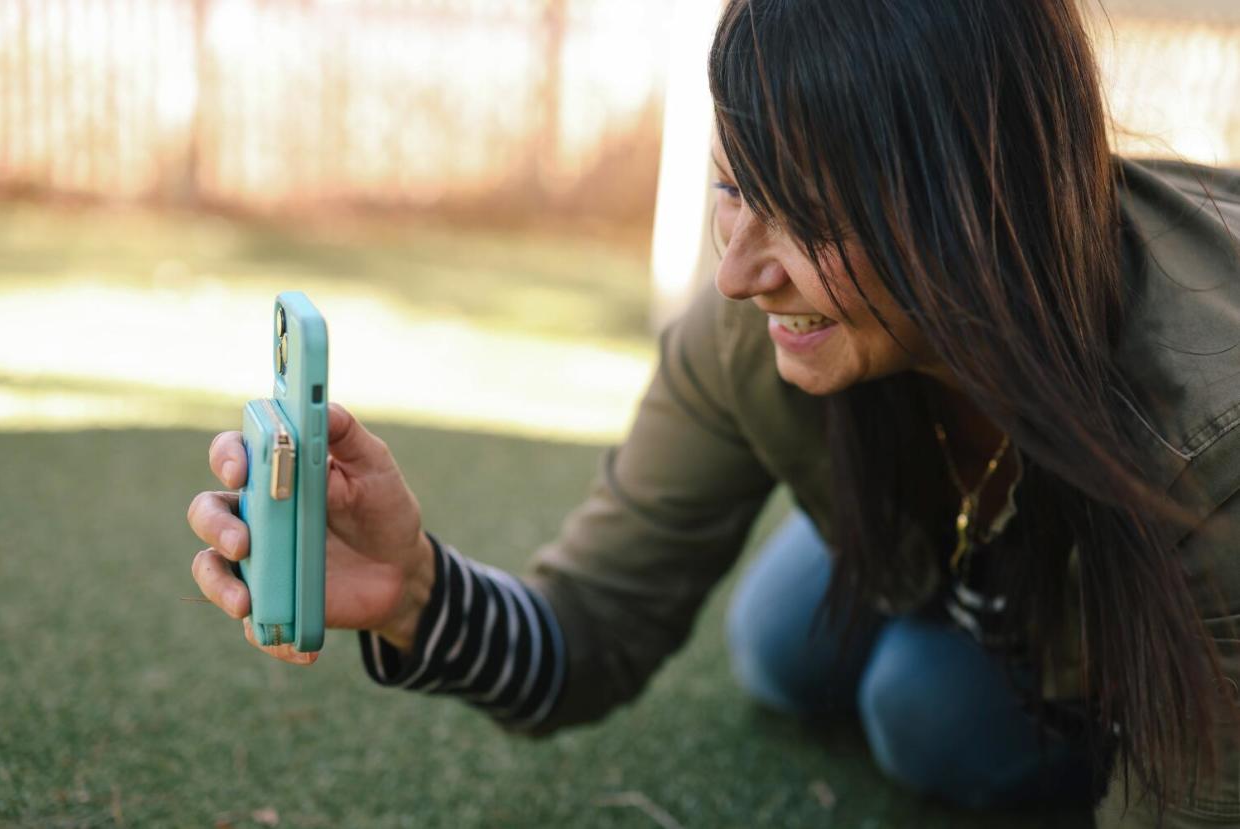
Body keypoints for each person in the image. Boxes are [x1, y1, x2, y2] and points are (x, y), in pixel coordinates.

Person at [186, 0, 1240, 824]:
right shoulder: (748, 337)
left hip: (1120, 582)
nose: (735, 276)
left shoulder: (1210, 437)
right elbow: (583, 633)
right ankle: (920, 563)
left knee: (925, 717)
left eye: (812, 216)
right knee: (779, 641)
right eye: (736, 186)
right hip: (956, 518)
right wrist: (414, 590)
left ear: (980, 195)